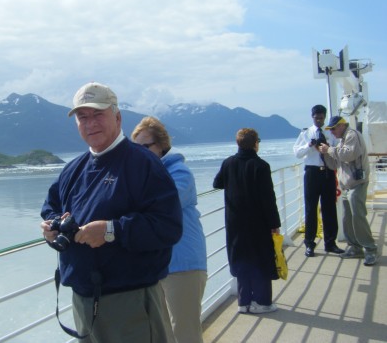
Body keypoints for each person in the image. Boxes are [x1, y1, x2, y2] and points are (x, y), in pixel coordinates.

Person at [40, 82, 183, 343]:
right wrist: (51, 226)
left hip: (130, 303)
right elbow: (51, 207)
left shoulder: (143, 163)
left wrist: (111, 231)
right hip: (82, 302)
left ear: (117, 117)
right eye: (83, 117)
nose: (90, 123)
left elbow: (168, 226)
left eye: (98, 114)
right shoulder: (73, 169)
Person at [131, 116, 207, 343]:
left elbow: (164, 204)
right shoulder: (144, 176)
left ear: (162, 146)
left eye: (146, 146)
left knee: (185, 333)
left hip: (184, 264)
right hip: (158, 265)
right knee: (162, 332)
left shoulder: (180, 173)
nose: (141, 152)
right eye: (136, 148)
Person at [213, 128, 281, 314]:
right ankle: (262, 302)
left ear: (238, 143)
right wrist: (274, 223)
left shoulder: (228, 163)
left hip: (235, 222)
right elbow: (269, 198)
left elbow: (217, 183)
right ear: (255, 144)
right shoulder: (261, 166)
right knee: (260, 259)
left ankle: (243, 302)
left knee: (241, 258)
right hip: (258, 222)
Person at [319, 116, 378, 266]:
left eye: (333, 129)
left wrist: (330, 149)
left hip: (357, 184)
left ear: (341, 126)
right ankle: (354, 247)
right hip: (346, 185)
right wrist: (325, 153)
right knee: (346, 218)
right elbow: (334, 165)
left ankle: (370, 249)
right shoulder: (341, 141)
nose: (331, 132)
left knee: (358, 216)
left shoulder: (352, 135)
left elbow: (348, 154)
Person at [293, 104, 344, 257]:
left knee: (329, 208)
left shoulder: (330, 133)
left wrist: (328, 148)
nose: (319, 120)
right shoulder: (306, 133)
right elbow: (297, 153)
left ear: (325, 117)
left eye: (321, 118)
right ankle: (310, 244)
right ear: (312, 117)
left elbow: (338, 150)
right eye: (317, 118)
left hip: (327, 172)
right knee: (310, 209)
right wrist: (310, 145)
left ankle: (330, 243)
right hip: (312, 173)